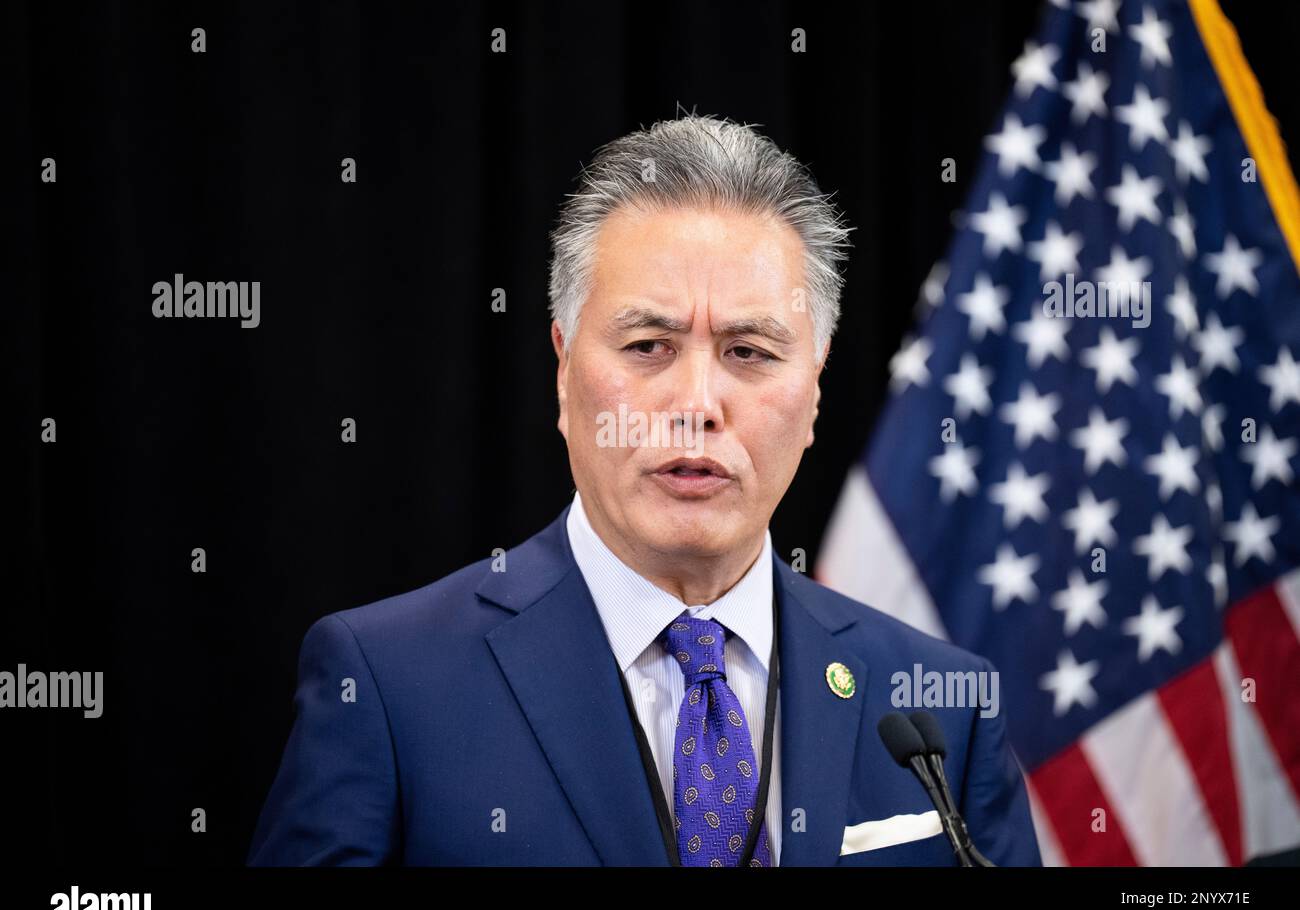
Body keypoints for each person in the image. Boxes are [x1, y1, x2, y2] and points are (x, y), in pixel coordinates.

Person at [247, 113, 1042, 866]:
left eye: (750, 351)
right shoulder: (387, 686)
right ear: (563, 369)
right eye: (649, 344)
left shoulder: (943, 712)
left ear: (816, 389)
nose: (697, 405)